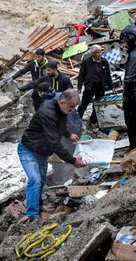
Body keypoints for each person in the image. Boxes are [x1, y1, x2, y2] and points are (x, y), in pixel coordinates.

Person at [18, 89, 87, 221]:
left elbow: (60, 126)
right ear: (61, 102)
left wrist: (69, 135)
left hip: (42, 153)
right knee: (35, 180)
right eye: (71, 107)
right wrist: (72, 160)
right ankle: (33, 216)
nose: (73, 110)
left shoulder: (61, 110)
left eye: (74, 107)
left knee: (41, 181)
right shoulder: (47, 114)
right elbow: (54, 142)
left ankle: (38, 207)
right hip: (28, 151)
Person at [77, 45, 113, 127]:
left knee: (98, 104)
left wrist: (111, 87)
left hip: (100, 87)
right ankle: (77, 120)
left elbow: (108, 75)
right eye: (97, 52)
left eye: (100, 52)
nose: (99, 54)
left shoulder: (104, 61)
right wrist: (79, 87)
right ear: (93, 54)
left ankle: (93, 120)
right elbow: (81, 74)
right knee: (84, 104)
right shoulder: (87, 61)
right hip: (90, 87)